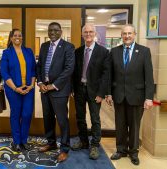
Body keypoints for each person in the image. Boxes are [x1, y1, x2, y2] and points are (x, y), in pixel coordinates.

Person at [106, 24, 154, 165]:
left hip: (137, 96)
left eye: (129, 33)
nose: (127, 36)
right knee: (120, 125)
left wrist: (149, 97)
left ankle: (133, 152)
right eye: (124, 33)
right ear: (121, 35)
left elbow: (149, 77)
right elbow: (110, 75)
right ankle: (121, 150)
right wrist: (108, 93)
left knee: (134, 126)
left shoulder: (144, 51)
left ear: (135, 34)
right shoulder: (114, 52)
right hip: (119, 95)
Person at [36, 22, 75, 162]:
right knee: (48, 117)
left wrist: (54, 85)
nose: (52, 32)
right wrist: (40, 83)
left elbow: (69, 69)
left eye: (55, 30)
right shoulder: (44, 46)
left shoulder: (68, 47)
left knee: (62, 119)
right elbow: (39, 65)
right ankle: (51, 143)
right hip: (44, 89)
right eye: (50, 30)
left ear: (60, 31)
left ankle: (64, 148)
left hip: (59, 90)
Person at [71, 24, 110, 160]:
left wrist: (101, 93)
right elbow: (73, 72)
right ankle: (83, 141)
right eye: (85, 32)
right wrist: (72, 88)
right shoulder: (77, 51)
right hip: (79, 89)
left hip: (95, 92)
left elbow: (106, 75)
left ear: (95, 34)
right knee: (80, 117)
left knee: (95, 119)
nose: (88, 34)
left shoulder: (103, 52)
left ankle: (94, 145)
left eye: (90, 32)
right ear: (82, 34)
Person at [0, 28, 36, 152]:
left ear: (22, 38)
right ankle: (16, 142)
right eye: (15, 35)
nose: (17, 37)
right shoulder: (7, 53)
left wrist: (31, 86)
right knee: (16, 114)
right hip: (13, 89)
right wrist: (15, 88)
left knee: (26, 114)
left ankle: (24, 140)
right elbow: (4, 73)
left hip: (28, 89)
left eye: (20, 35)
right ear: (11, 38)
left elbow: (33, 70)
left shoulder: (28, 51)